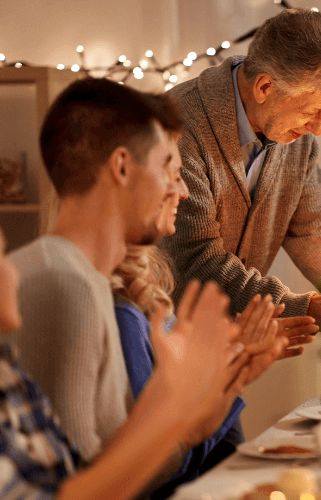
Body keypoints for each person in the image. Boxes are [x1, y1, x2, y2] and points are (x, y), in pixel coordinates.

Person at [7, 78, 276, 492]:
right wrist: (177, 405)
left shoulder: (86, 280)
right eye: (168, 165)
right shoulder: (67, 284)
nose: (182, 191)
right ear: (121, 167)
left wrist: (193, 398)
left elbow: (115, 459)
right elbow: (82, 483)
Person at [109, 139, 318, 497]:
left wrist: (230, 353)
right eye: (172, 173)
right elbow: (155, 465)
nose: (185, 191)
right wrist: (228, 373)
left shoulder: (140, 296)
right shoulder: (122, 315)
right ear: (124, 175)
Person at [160, 8, 321, 332]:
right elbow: (195, 259)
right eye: (310, 111)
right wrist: (297, 306)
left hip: (228, 333)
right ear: (264, 87)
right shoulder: (181, 123)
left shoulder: (297, 143)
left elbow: (313, 232)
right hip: (159, 331)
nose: (317, 128)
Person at [0, 223, 256, 499]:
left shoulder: (8, 369)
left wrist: (185, 401)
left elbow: (70, 480)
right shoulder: (116, 312)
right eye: (2, 256)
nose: (14, 270)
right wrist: (176, 407)